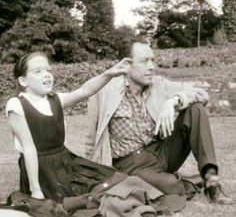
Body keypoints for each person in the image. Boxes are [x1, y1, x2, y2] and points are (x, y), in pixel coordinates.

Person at [86, 39, 233, 204]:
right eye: (144, 61)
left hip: (161, 150)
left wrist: (174, 101)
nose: (151, 67)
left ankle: (211, 179)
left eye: (152, 60)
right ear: (127, 65)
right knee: (172, 187)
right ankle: (192, 182)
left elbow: (201, 94)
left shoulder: (158, 84)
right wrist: (94, 177)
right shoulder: (103, 92)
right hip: (131, 165)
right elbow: (92, 139)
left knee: (195, 109)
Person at [6, 52, 129, 201]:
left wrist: (109, 74)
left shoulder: (55, 99)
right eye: (38, 71)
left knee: (115, 179)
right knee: (79, 199)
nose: (46, 75)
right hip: (42, 169)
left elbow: (85, 91)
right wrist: (35, 190)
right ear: (23, 81)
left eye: (48, 70)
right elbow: (29, 149)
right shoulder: (17, 104)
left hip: (66, 161)